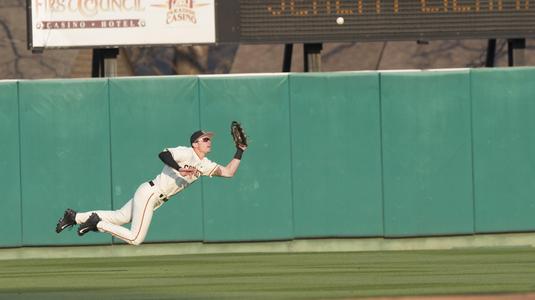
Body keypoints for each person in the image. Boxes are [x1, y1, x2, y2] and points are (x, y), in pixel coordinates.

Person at [55, 129, 247, 245]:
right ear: (195, 143)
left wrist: (240, 150)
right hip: (151, 192)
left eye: (209, 139)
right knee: (135, 238)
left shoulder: (205, 165)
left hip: (151, 196)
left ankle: (74, 217)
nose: (208, 141)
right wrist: (179, 167)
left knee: (119, 217)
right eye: (205, 139)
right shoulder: (186, 152)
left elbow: (229, 172)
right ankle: (96, 222)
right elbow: (163, 154)